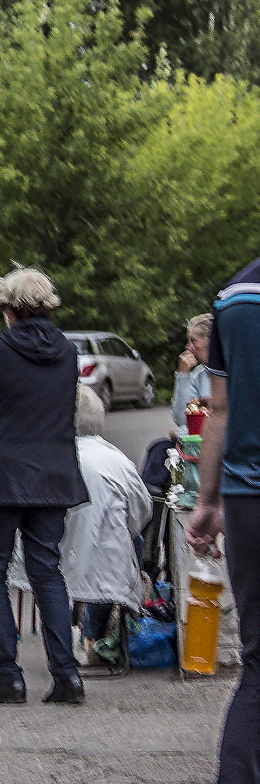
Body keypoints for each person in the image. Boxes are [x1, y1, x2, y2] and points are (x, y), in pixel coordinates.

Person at [0, 264, 89, 706]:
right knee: (46, 572)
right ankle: (67, 676)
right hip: (53, 476)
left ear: (9, 308)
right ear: (47, 307)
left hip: (0, 477)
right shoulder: (68, 352)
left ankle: (9, 677)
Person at [186, 257, 260, 784]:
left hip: (248, 499)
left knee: (257, 661)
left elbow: (221, 409)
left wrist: (207, 502)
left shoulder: (234, 297)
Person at [9, 385, 149, 660]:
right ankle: (93, 635)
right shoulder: (117, 461)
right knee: (125, 544)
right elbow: (140, 514)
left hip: (49, 560)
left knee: (81, 555)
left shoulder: (41, 459)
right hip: (102, 565)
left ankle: (68, 631)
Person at [172, 312, 214, 437]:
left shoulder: (234, 372)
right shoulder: (198, 375)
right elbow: (182, 420)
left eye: (193, 341)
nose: (188, 347)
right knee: (157, 448)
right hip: (199, 441)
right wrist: (183, 375)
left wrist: (181, 433)